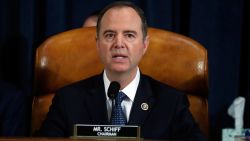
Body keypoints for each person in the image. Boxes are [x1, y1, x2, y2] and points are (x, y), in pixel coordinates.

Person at [37, 1, 207, 140]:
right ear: (97, 44)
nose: (119, 44)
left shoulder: (171, 102)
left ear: (145, 45)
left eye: (129, 35)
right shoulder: (68, 100)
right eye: (110, 35)